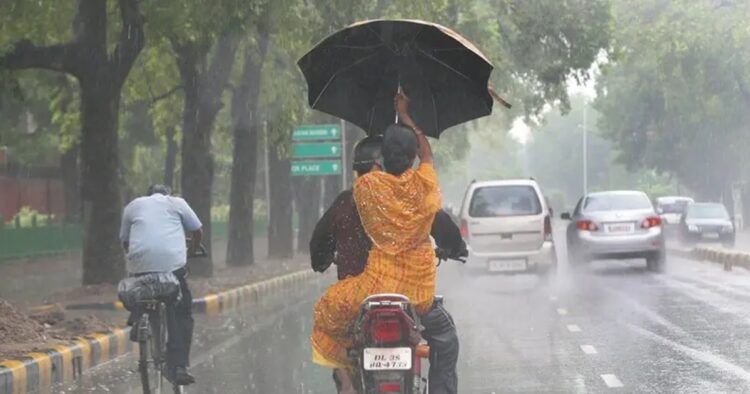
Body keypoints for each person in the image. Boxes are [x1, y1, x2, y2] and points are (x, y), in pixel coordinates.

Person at [310, 92, 447, 394]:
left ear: (380, 159)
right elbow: (428, 157)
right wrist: (408, 117)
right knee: (446, 337)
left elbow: (373, 177)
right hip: (417, 295)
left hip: (374, 287)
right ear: (412, 158)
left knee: (326, 314)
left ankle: (347, 376)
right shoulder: (424, 186)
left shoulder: (367, 188)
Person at [119, 184, 202, 386]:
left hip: (141, 268)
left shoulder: (133, 206)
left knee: (143, 287)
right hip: (171, 269)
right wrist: (191, 250)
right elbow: (197, 230)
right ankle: (179, 366)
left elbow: (125, 241)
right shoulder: (177, 203)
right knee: (181, 310)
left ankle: (139, 316)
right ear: (168, 194)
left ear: (148, 195)